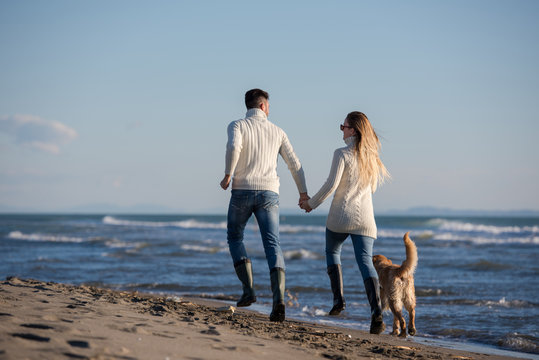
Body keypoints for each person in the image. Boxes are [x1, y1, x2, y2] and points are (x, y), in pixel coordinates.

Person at [220, 88, 309, 322]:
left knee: (235, 237)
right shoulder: (278, 131)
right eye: (268, 105)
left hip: (242, 189)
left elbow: (233, 147)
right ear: (262, 106)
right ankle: (279, 300)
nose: (269, 109)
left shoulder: (237, 125)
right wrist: (303, 193)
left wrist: (228, 174)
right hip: (269, 192)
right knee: (272, 243)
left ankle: (248, 290)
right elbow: (295, 164)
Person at [299, 111, 389, 334]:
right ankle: (377, 314)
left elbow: (331, 185)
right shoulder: (372, 156)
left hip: (340, 216)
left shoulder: (341, 154)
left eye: (343, 126)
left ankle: (339, 300)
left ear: (353, 130)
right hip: (366, 220)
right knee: (366, 262)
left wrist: (310, 203)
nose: (341, 129)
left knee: (332, 251)